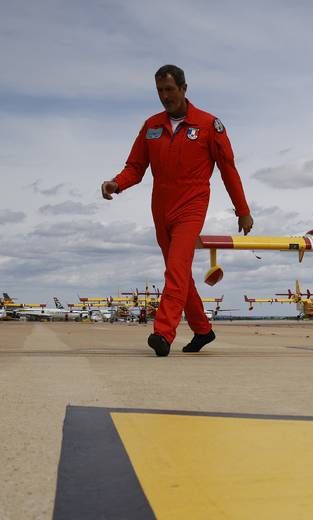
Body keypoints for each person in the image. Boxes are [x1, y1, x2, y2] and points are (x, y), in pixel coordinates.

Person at [101, 65, 253, 357]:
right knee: (179, 271)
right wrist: (116, 184)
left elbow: (228, 169)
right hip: (161, 206)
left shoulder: (209, 125)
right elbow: (135, 167)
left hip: (191, 205)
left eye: (170, 90)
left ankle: (163, 333)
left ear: (184, 89)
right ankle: (202, 329)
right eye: (160, 91)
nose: (165, 96)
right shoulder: (151, 126)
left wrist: (242, 210)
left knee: (175, 268)